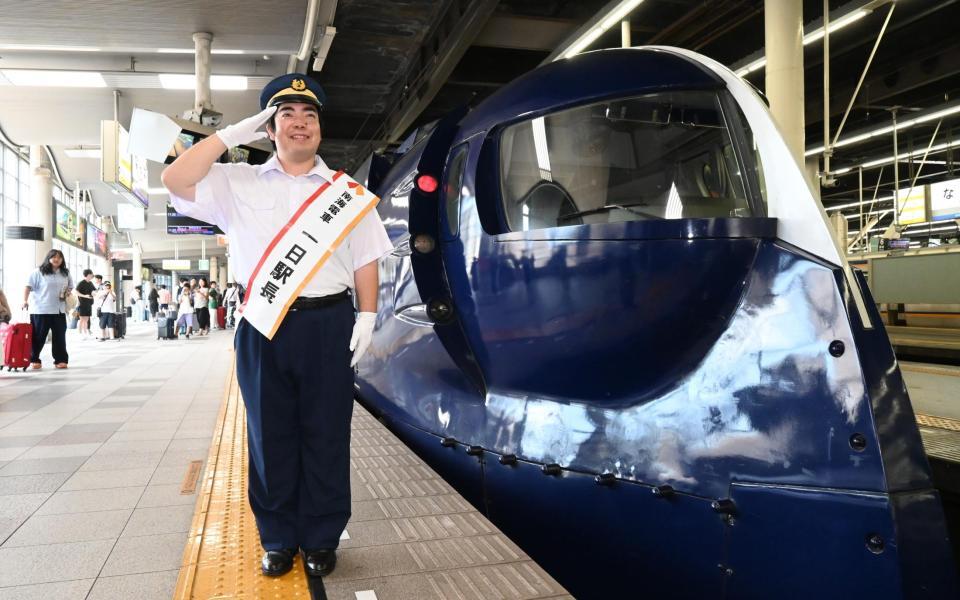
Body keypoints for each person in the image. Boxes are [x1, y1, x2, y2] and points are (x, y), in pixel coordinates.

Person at [162, 72, 391, 579]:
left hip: (329, 322)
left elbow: (366, 259)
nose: (299, 123)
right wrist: (228, 136)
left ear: (320, 130)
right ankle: (278, 538)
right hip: (262, 323)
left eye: (309, 115)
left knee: (327, 433)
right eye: (286, 114)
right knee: (270, 434)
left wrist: (368, 314)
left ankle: (322, 536)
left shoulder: (346, 193)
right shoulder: (234, 181)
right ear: (268, 128)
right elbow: (175, 181)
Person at [23, 249, 74, 368]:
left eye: (59, 257)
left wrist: (66, 292)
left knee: (60, 336)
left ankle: (60, 360)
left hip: (59, 310)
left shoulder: (65, 273)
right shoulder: (38, 272)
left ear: (62, 260)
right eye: (54, 257)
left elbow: (70, 287)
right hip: (41, 310)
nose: (57, 259)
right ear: (49, 258)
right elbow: (28, 287)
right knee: (38, 336)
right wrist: (24, 301)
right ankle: (34, 359)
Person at [75, 269, 97, 338]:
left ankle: (85, 333)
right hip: (82, 304)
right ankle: (80, 333)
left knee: (86, 320)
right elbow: (76, 292)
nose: (92, 276)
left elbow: (94, 290)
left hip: (89, 304)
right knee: (81, 319)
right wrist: (85, 296)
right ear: (87, 275)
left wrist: (94, 293)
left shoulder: (90, 283)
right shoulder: (81, 283)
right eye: (91, 275)